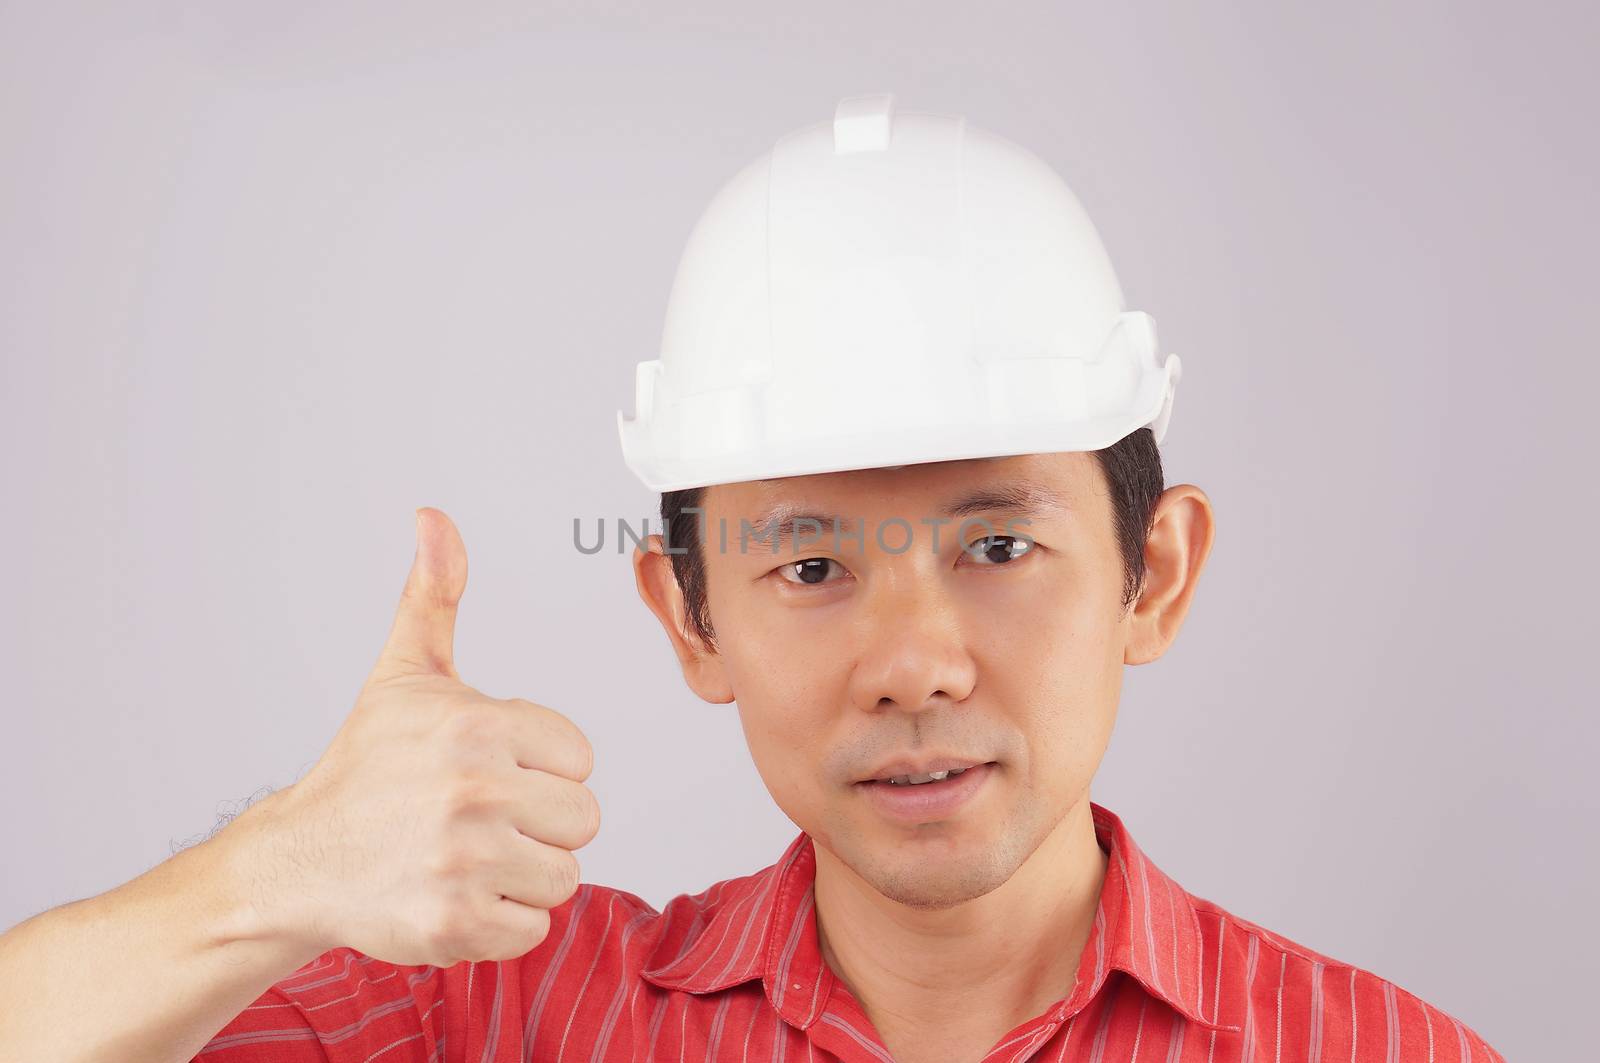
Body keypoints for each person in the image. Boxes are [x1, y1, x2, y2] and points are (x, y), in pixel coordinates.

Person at [0, 95, 1505, 1063]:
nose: (916, 664)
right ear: (686, 615)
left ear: (1152, 575)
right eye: (809, 562)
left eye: (998, 546)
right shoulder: (492, 1016)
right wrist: (281, 870)